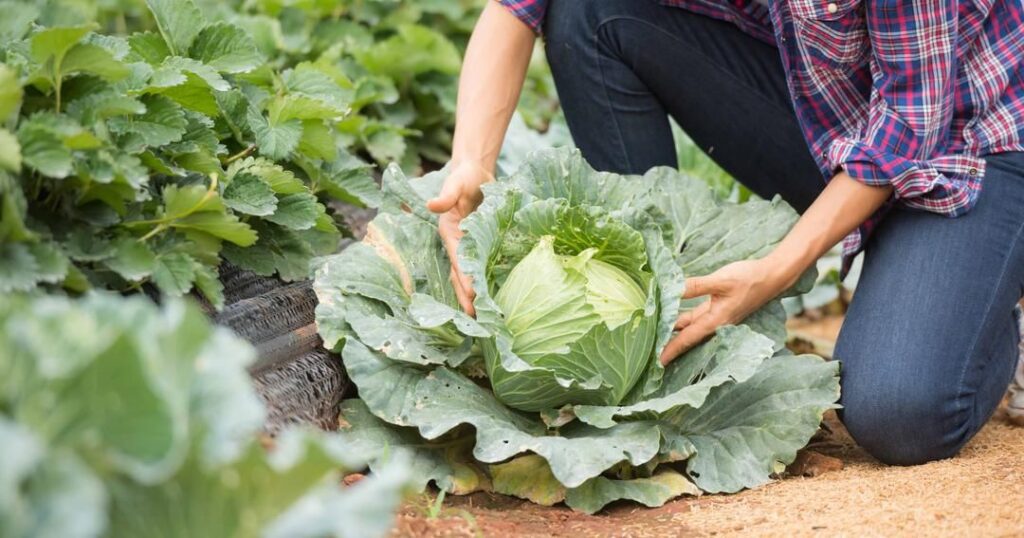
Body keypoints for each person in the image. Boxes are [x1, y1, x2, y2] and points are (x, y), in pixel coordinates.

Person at [427, 0, 1024, 465]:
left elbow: (907, 129)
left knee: (898, 414)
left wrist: (775, 270)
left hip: (973, 142)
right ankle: (657, 337)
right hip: (833, 110)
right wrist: (471, 164)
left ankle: (989, 291)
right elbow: (517, 8)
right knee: (591, 13)